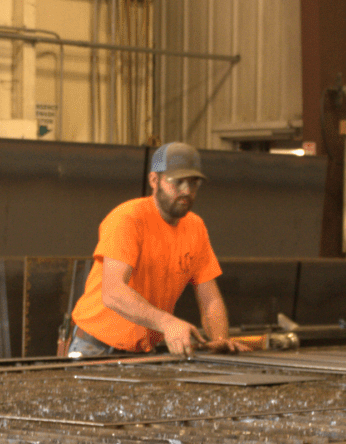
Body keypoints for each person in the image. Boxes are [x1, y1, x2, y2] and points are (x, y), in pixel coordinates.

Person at [67, 142, 250, 357]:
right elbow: (113, 293)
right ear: (154, 180)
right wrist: (167, 322)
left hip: (142, 350)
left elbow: (210, 298)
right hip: (96, 347)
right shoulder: (128, 219)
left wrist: (220, 340)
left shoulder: (195, 227)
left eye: (193, 184)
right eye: (178, 182)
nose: (186, 191)